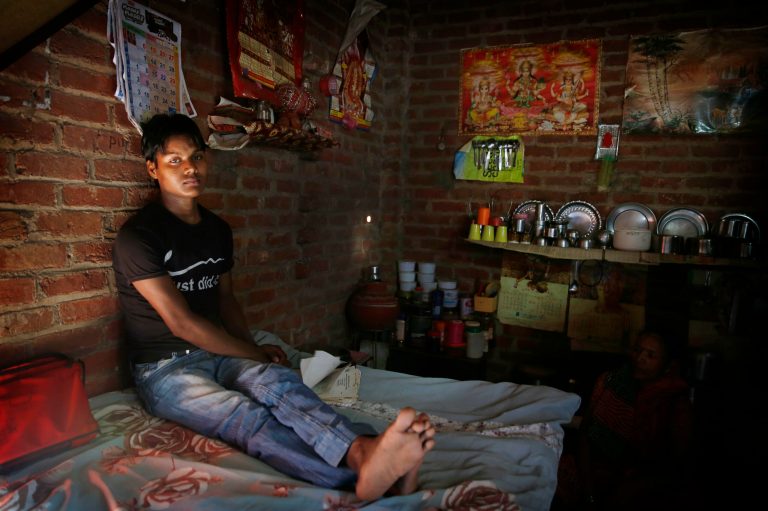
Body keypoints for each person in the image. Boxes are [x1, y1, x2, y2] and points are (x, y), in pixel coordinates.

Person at [112, 113, 435, 501]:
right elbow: (182, 324)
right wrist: (250, 351)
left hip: (218, 350)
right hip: (165, 369)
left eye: (196, 157)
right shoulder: (138, 237)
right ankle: (365, 479)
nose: (190, 168)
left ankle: (363, 451)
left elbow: (225, 298)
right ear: (153, 168)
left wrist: (253, 352)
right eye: (174, 160)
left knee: (279, 384)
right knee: (244, 416)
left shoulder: (216, 229)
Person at [554, 331, 693, 510]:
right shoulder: (610, 382)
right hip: (593, 470)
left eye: (650, 355)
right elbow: (586, 436)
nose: (640, 359)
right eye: (637, 350)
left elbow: (676, 465)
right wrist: (589, 490)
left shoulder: (675, 403)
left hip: (642, 484)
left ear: (667, 366)